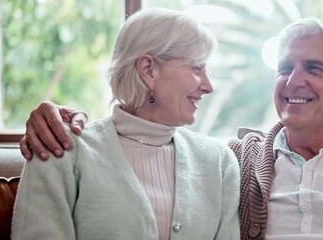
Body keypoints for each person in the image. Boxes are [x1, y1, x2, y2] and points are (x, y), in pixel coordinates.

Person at [20, 18, 323, 239]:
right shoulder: (236, 158)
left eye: (313, 68)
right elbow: (126, 133)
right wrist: (57, 115)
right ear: (148, 69)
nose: (292, 81)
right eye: (284, 69)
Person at [12, 8, 240, 240]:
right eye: (197, 68)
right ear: (148, 70)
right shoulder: (61, 147)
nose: (209, 86)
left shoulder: (219, 162)